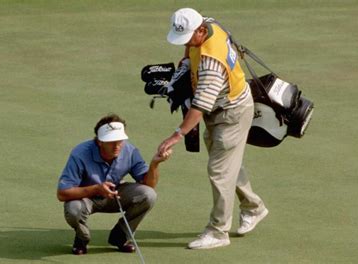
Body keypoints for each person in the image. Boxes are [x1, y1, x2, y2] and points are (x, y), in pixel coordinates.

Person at [158, 8, 268, 249]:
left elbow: (198, 108)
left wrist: (177, 135)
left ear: (199, 30)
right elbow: (192, 49)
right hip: (224, 109)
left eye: (188, 38)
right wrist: (186, 61)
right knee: (228, 165)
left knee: (219, 172)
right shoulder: (209, 23)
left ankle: (218, 231)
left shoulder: (211, 65)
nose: (186, 43)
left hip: (231, 114)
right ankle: (254, 208)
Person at [57, 113, 171, 255]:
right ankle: (82, 238)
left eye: (120, 140)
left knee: (148, 195)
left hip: (114, 195)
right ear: (99, 141)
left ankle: (120, 237)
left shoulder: (130, 151)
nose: (117, 145)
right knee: (73, 209)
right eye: (111, 141)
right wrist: (97, 189)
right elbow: (62, 193)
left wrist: (154, 164)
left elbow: (149, 185)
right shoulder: (80, 153)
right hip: (85, 198)